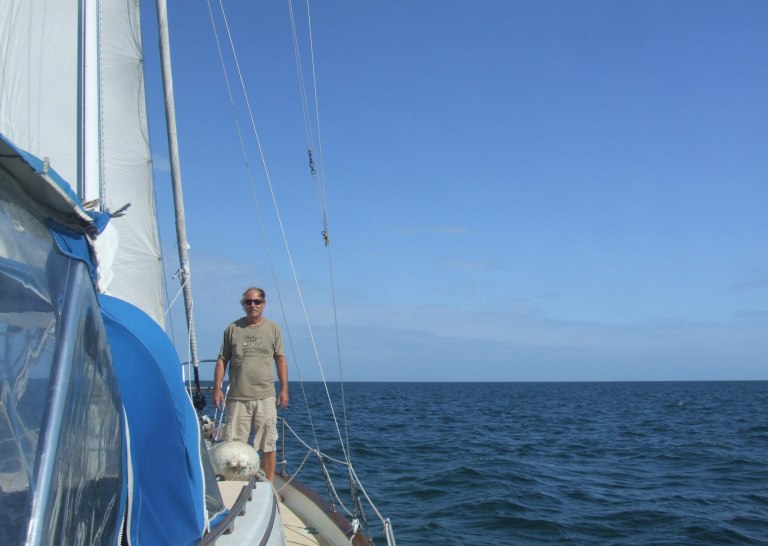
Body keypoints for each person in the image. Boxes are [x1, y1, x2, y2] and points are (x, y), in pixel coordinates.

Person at [213, 287, 289, 482]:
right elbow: (222, 360)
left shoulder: (273, 328)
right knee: (234, 445)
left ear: (263, 304)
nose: (252, 305)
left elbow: (280, 359)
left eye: (257, 302)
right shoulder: (232, 329)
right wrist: (217, 388)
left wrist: (284, 389)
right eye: (248, 302)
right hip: (238, 397)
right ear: (243, 305)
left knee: (268, 444)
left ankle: (270, 485)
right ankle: (234, 484)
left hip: (266, 396)